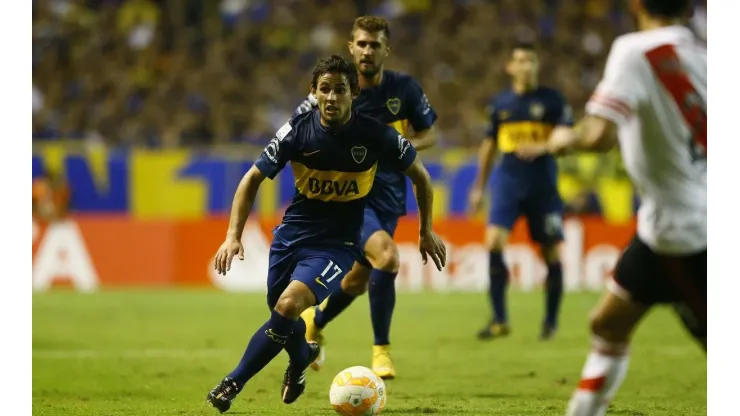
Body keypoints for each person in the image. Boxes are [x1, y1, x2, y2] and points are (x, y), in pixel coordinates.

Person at [206, 54, 446, 413]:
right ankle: (302, 357)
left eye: (340, 90)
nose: (332, 97)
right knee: (281, 317)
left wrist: (426, 231)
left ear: (353, 95)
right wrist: (232, 235)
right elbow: (252, 178)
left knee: (287, 307)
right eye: (325, 90)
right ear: (313, 93)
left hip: (339, 243)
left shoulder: (375, 135)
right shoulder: (297, 131)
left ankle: (232, 383)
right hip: (292, 236)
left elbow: (421, 177)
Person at [516, 0, 706, 414]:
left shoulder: (635, 50)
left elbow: (598, 135)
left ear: (636, 4)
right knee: (607, 323)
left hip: (687, 233)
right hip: (666, 228)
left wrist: (557, 140)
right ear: (689, 9)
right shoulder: (703, 53)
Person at [295, 16, 438, 379]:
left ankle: (316, 319)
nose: (367, 51)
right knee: (387, 258)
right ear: (351, 47)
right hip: (350, 196)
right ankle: (382, 352)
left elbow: (429, 135)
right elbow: (298, 128)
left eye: (375, 45)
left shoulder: (404, 89)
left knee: (358, 280)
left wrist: (397, 146)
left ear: (386, 49)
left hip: (389, 197)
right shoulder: (335, 89)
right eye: (361, 44)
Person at [467, 42, 574, 341]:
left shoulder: (553, 101)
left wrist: (544, 146)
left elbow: (567, 139)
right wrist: (479, 187)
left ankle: (551, 322)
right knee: (493, 242)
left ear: (537, 65)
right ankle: (500, 319)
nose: (525, 66)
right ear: (510, 67)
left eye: (530, 60)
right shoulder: (500, 104)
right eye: (520, 60)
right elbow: (489, 146)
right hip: (508, 183)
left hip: (543, 186)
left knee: (550, 251)